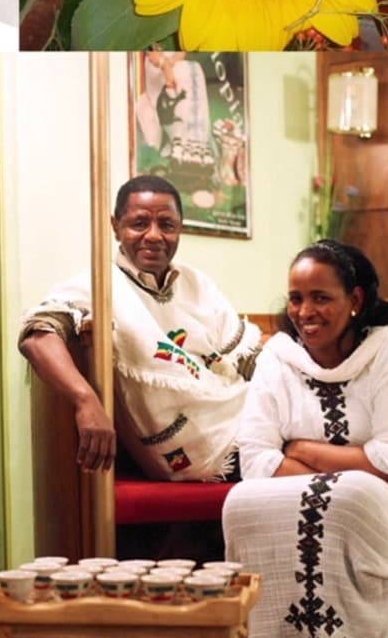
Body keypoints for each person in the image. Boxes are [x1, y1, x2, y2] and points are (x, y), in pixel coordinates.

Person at [222, 240, 388, 638]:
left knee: (356, 498)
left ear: (355, 299)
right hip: (333, 499)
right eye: (296, 298)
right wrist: (347, 474)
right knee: (240, 503)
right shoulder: (277, 358)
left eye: (320, 298)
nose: (305, 312)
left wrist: (303, 450)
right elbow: (256, 461)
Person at [19, 174, 261, 480]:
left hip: (233, 414)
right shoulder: (97, 283)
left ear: (179, 228)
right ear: (116, 227)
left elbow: (247, 360)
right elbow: (36, 336)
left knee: (304, 439)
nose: (154, 236)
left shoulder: (197, 284)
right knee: (293, 455)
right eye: (139, 223)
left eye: (167, 225)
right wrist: (85, 400)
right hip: (189, 448)